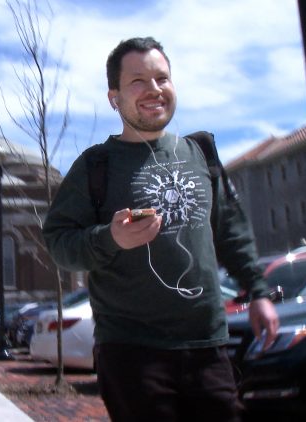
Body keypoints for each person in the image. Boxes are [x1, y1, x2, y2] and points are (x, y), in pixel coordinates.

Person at [42, 36, 279, 422]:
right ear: (114, 97)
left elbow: (230, 231)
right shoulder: (95, 166)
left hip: (208, 346)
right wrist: (110, 238)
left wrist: (258, 292)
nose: (153, 89)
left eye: (162, 78)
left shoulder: (200, 153)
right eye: (137, 81)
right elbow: (58, 242)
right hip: (132, 350)